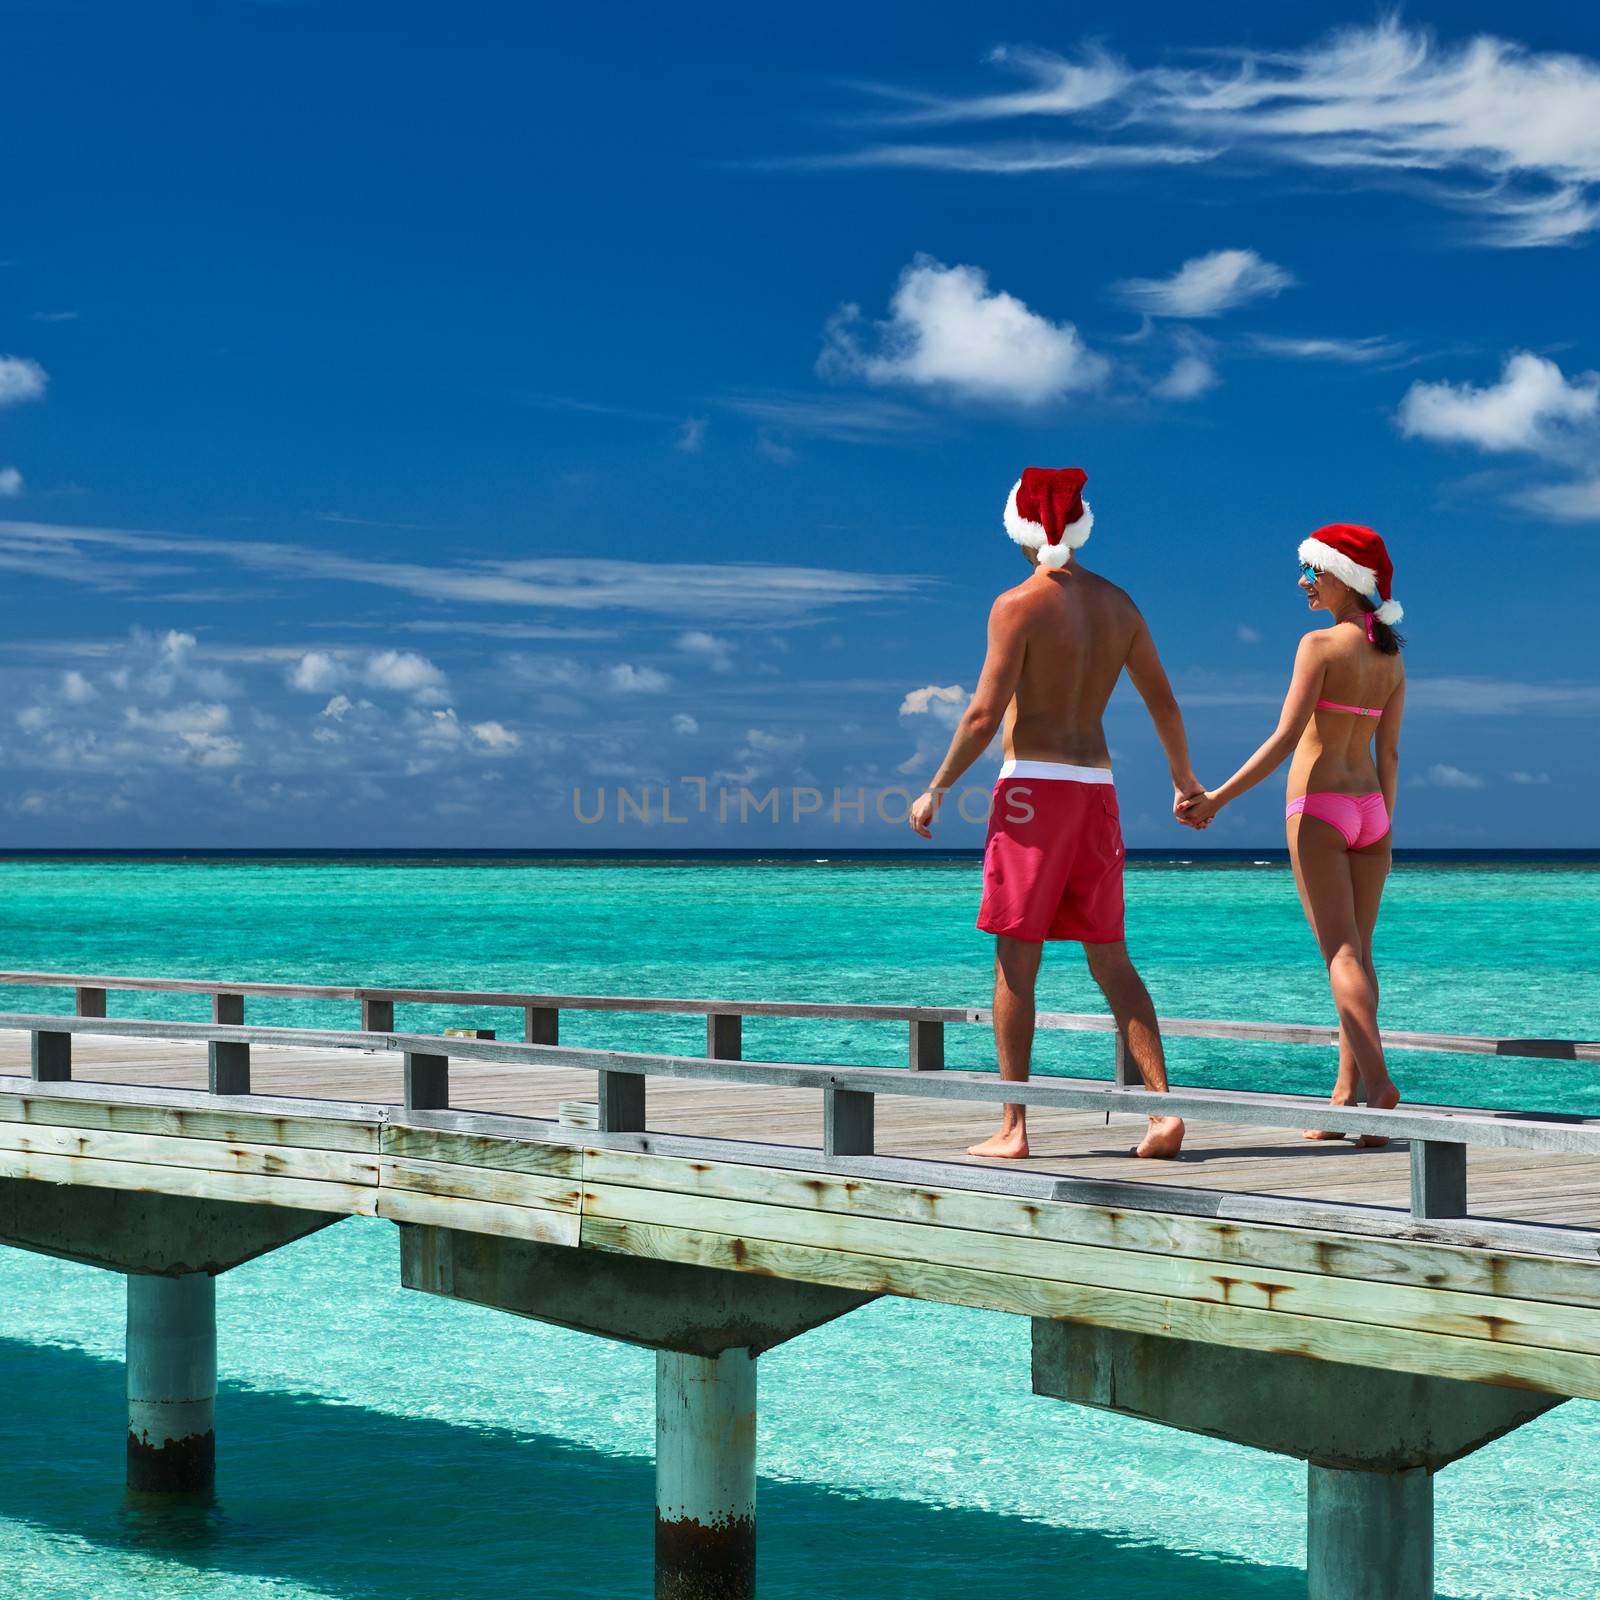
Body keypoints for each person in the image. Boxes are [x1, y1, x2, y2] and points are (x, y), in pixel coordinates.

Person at [909, 466, 1200, 1161]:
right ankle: (1161, 1111)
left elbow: (984, 713)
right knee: (1110, 956)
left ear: (1019, 528)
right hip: (1096, 788)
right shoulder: (1120, 605)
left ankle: (1014, 1125)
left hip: (1033, 792)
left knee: (1017, 957)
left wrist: (938, 787)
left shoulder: (1017, 604)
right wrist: (1184, 778)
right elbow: (1162, 700)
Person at [1178, 524, 1406, 1142]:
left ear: (1344, 578)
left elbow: (1283, 740)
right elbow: (1389, 758)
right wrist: (1384, 828)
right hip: (1372, 813)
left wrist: (1215, 800)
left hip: (1321, 808)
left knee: (1340, 954)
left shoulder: (1318, 646)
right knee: (1359, 954)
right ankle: (1345, 1096)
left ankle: (1380, 1082)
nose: (1303, 582)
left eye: (1313, 571)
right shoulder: (1390, 655)